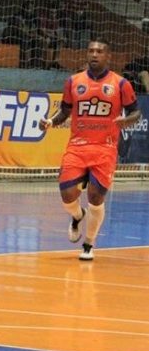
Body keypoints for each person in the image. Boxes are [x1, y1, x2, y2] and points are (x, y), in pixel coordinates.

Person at [40, 38, 143, 261]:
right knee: (68, 197)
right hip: (77, 147)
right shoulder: (73, 81)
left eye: (99, 51)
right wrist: (51, 122)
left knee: (96, 197)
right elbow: (65, 111)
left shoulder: (121, 83)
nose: (94, 54)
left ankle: (88, 244)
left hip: (104, 149)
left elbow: (136, 112)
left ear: (108, 57)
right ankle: (77, 216)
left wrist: (127, 121)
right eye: (91, 51)